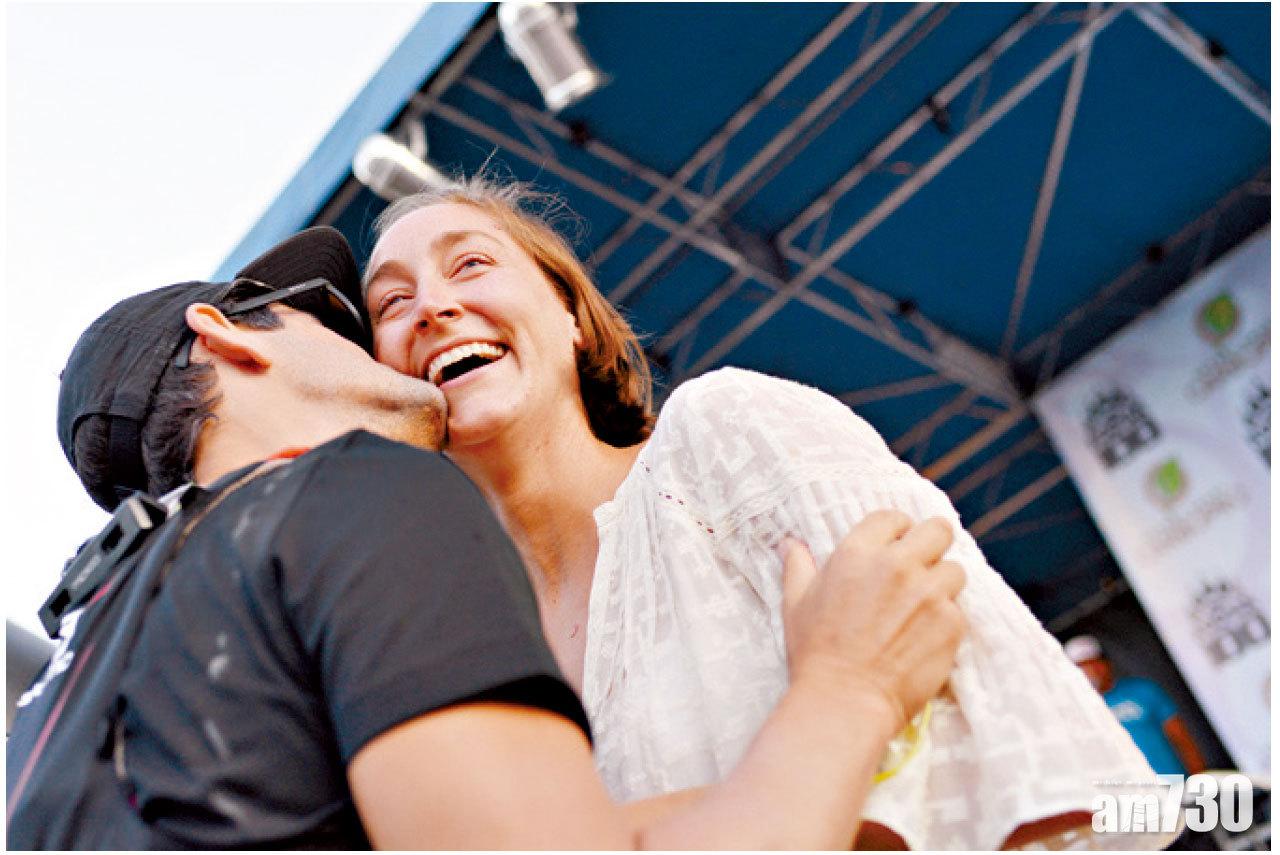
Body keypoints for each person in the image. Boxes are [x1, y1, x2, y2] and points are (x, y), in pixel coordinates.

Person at [7, 227, 969, 849]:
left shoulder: (68, 719)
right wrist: (850, 688)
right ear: (228, 337)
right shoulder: (345, 491)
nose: (391, 336)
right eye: (335, 321)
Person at [363, 175, 1179, 850]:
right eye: (391, 304)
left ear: (570, 314)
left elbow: (1021, 763)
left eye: (471, 263)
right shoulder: (469, 674)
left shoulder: (722, 438)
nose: (431, 306)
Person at [1066, 634, 1207, 776]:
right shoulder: (1079, 711)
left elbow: (1180, 736)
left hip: (1173, 781)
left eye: (1094, 664)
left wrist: (1198, 777)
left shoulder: (1142, 689)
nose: (1091, 672)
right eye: (1082, 668)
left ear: (1106, 663)